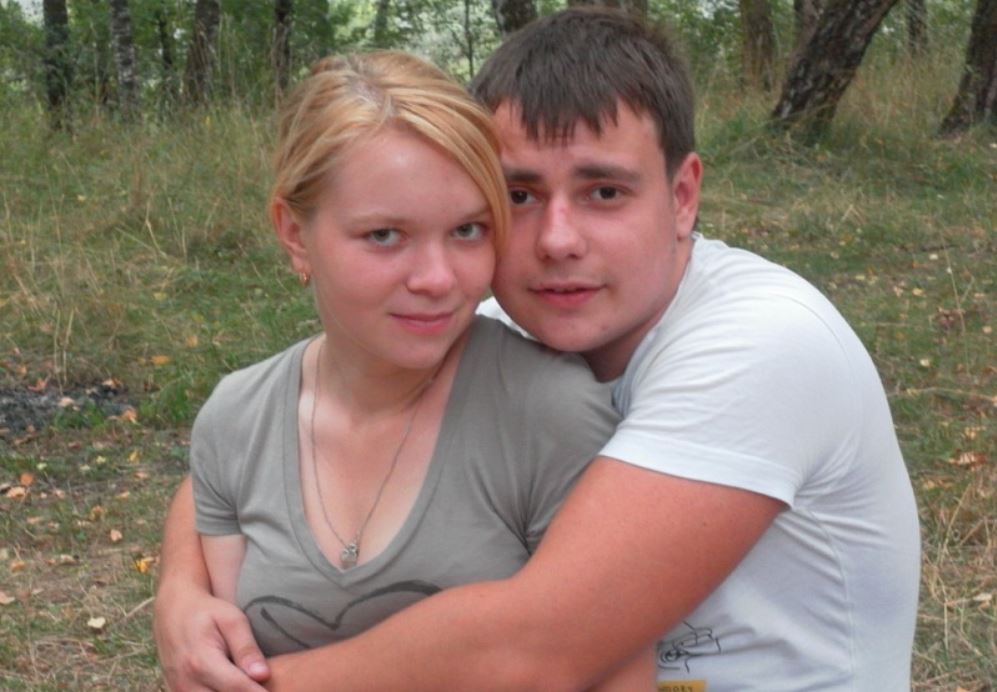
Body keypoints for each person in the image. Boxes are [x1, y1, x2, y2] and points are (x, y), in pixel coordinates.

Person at [154, 8, 921, 691]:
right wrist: (181, 590)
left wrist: (256, 683)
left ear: (682, 196)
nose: (557, 241)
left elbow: (536, 649)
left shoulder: (761, 343)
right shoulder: (504, 311)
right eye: (518, 196)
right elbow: (263, 439)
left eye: (603, 192)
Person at [170, 48, 654, 688]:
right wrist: (178, 591)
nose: (437, 279)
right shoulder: (236, 420)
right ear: (293, 233)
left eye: (467, 230)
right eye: (385, 235)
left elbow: (612, 668)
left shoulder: (548, 412)